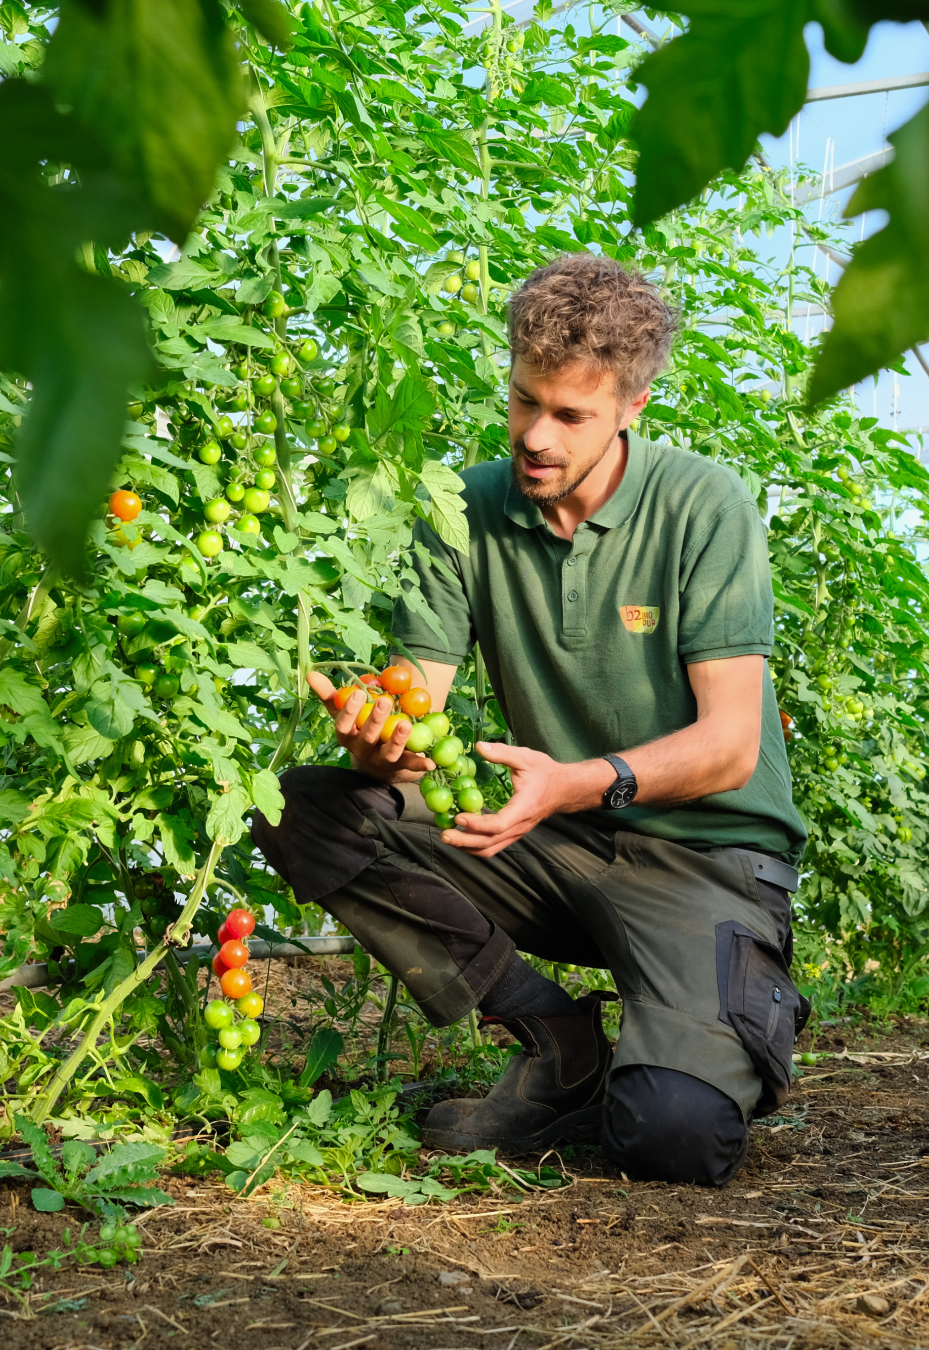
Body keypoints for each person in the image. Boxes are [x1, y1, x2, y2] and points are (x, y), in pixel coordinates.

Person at [253, 253, 809, 1187]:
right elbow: (413, 701)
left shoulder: (701, 506)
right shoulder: (464, 510)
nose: (535, 436)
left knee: (669, 1137)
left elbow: (729, 747)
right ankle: (555, 1038)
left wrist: (575, 782)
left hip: (703, 859)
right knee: (297, 803)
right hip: (545, 839)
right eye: (522, 402)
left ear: (632, 407)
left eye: (569, 415)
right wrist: (379, 741)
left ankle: (725, 1005)